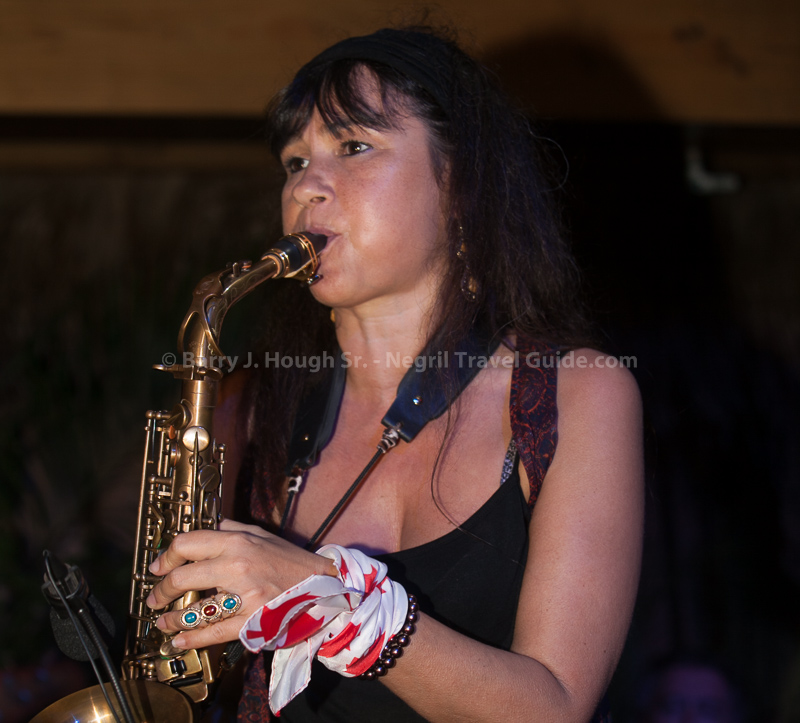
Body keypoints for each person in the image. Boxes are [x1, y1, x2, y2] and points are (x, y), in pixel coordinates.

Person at [144, 25, 644, 722]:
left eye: (354, 147)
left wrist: (332, 601)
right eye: (294, 162)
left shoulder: (578, 393)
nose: (306, 186)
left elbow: (553, 706)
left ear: (462, 187)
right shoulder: (248, 409)